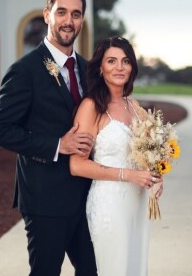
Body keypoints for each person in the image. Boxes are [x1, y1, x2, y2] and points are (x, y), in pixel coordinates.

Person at [0, 0, 97, 276]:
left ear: (82, 19)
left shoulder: (89, 70)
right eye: (62, 12)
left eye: (76, 14)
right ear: (47, 14)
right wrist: (57, 145)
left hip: (87, 196)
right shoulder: (25, 70)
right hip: (45, 197)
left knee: (92, 271)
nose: (68, 21)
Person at [70, 36, 163, 276]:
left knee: (134, 267)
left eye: (125, 61)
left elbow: (149, 153)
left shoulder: (134, 106)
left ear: (132, 67)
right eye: (112, 61)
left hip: (138, 204)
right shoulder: (91, 107)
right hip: (110, 204)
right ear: (100, 68)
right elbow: (77, 165)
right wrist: (128, 174)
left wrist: (156, 175)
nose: (119, 67)